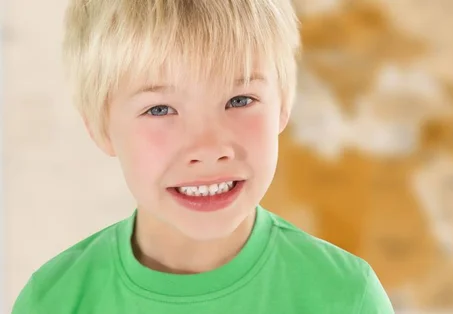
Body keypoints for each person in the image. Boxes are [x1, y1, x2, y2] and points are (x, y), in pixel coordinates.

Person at [12, 0, 394, 313]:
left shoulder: (345, 296)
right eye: (160, 109)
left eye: (240, 100)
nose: (209, 149)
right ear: (100, 128)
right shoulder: (53, 301)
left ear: (283, 107)